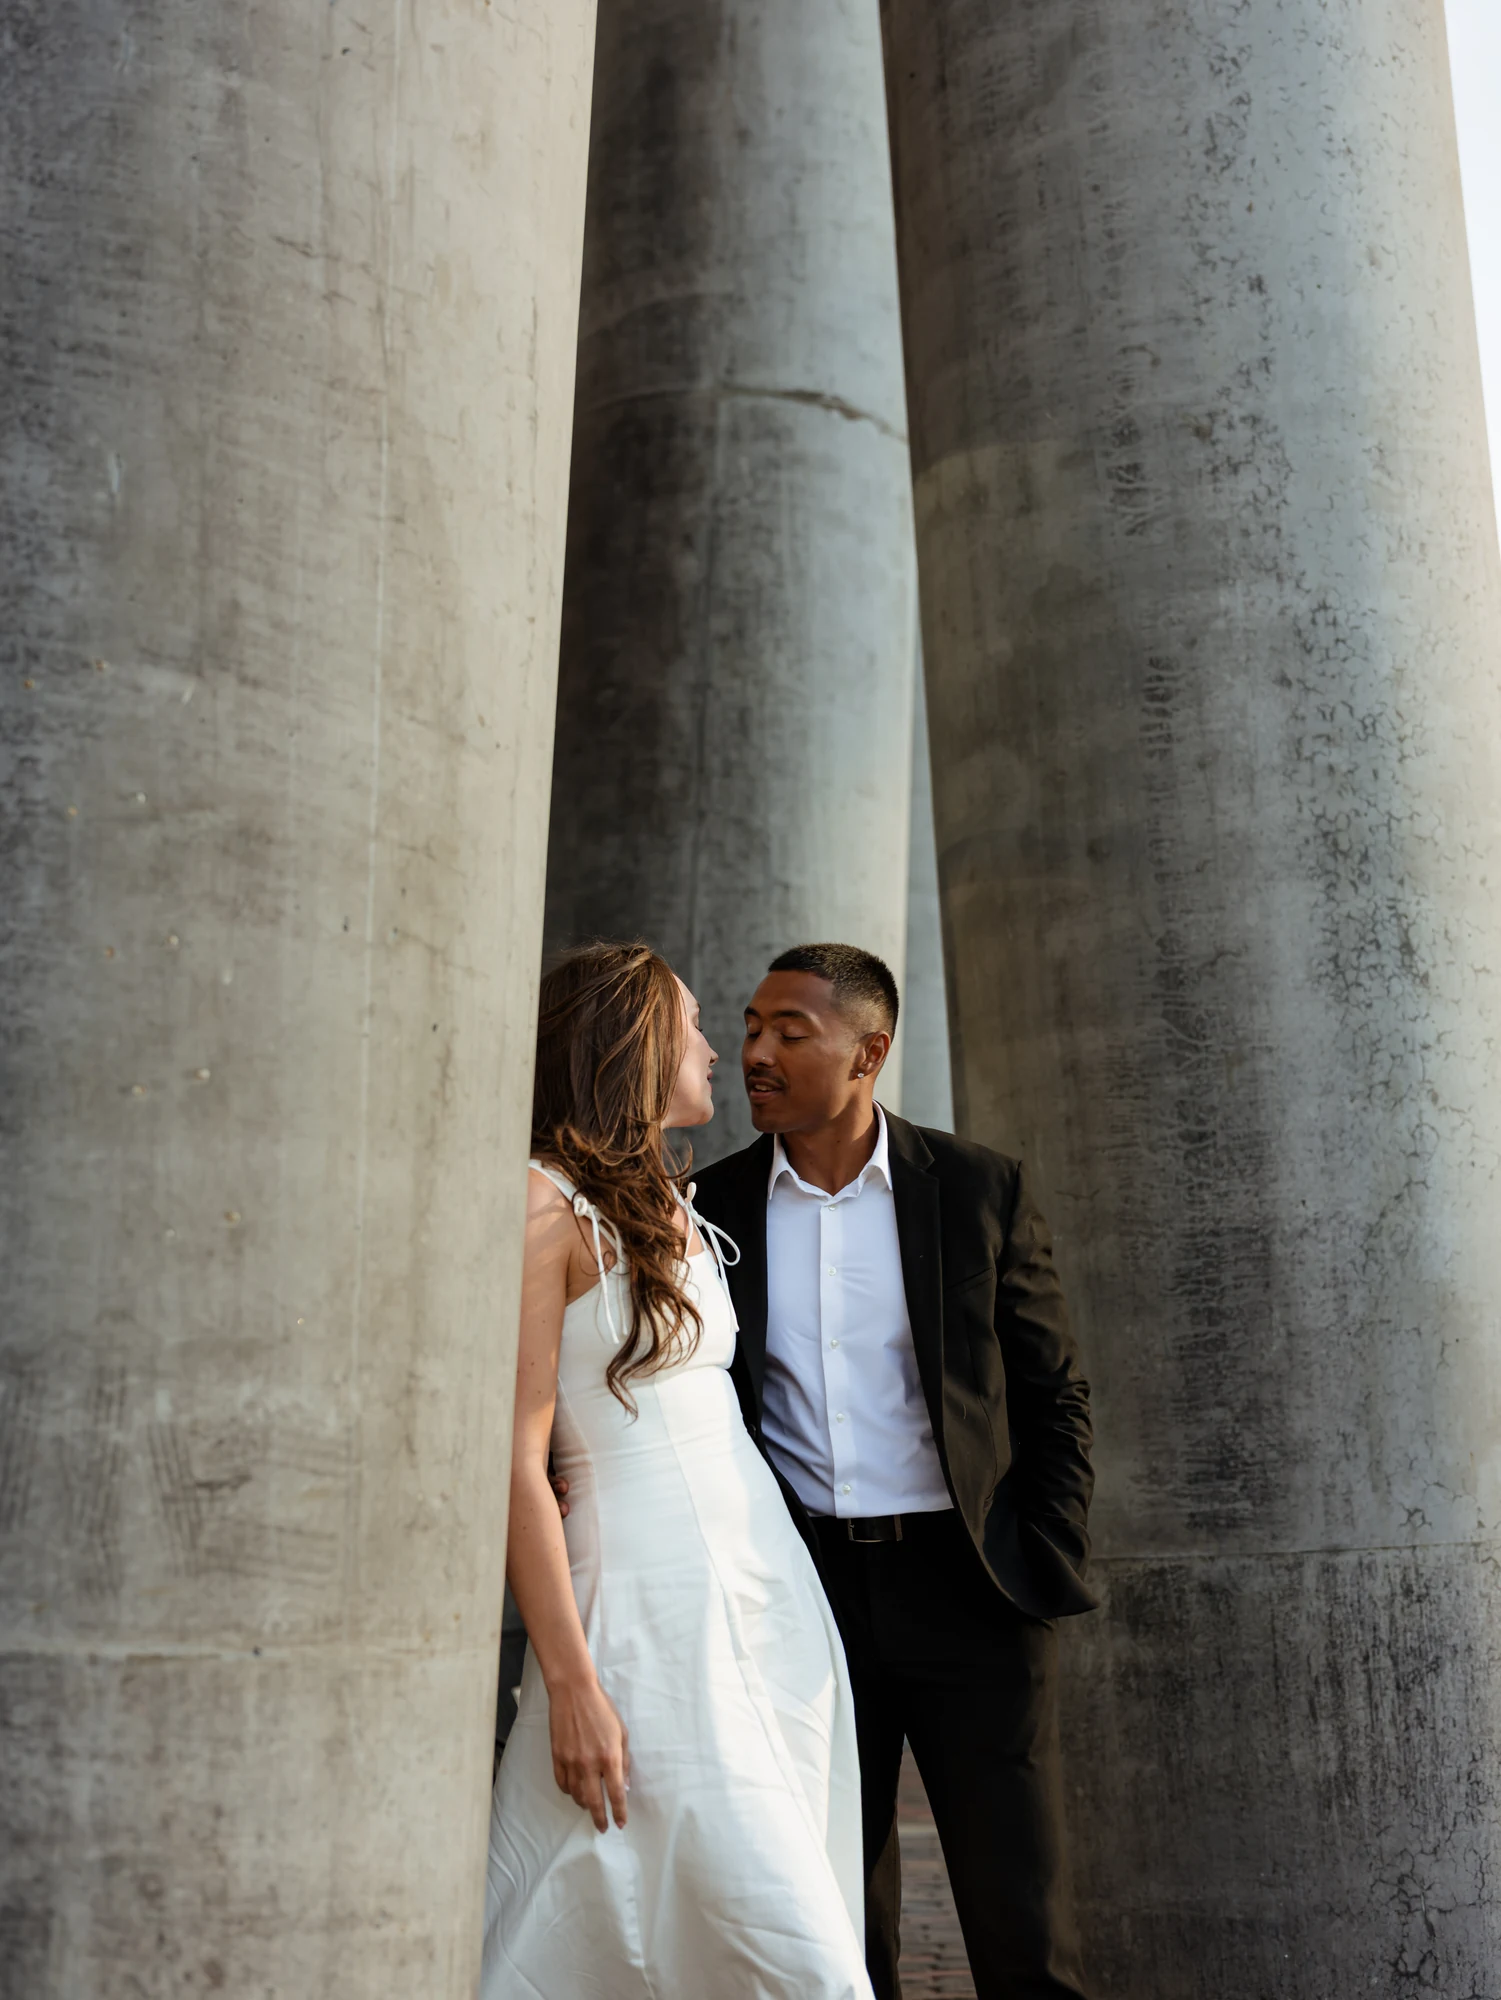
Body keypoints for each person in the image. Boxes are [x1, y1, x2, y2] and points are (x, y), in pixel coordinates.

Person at [691, 942, 1096, 2000]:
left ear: (867, 1051)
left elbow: (1053, 1390)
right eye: (750, 1027)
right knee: (833, 1906)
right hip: (807, 1589)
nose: (756, 1052)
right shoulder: (710, 1206)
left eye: (791, 1030)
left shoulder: (974, 1187)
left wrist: (1040, 1544)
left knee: (1022, 1915)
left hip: (970, 1584)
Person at [482, 941, 873, 2000]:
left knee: (768, 1889)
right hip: (644, 1611)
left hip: (765, 1593)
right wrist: (569, 1680)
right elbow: (517, 1456)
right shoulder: (541, 1204)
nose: (718, 1048)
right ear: (630, 1043)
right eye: (697, 1023)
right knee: (787, 1948)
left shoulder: (669, 1195)